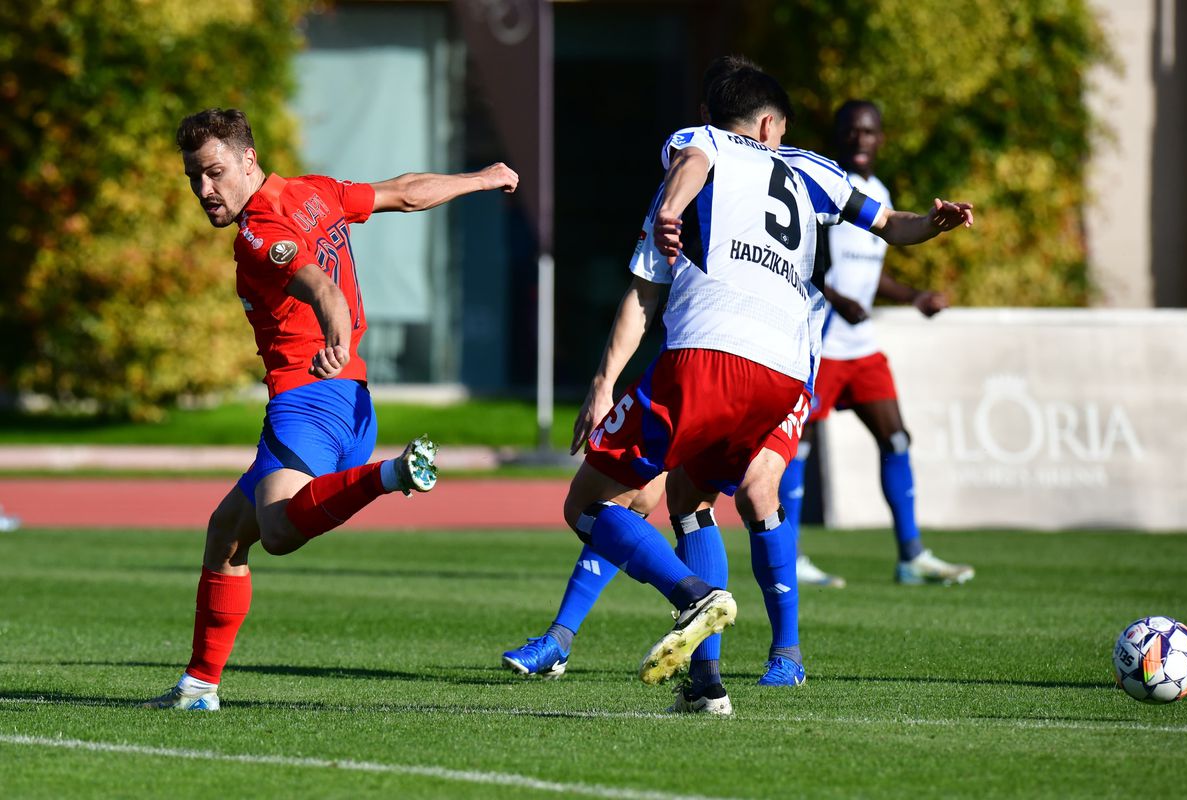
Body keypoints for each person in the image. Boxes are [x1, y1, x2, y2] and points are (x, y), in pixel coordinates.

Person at [503, 61, 974, 709]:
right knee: (691, 500)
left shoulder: (704, 144)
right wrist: (937, 221)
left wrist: (606, 377)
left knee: (588, 505)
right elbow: (893, 223)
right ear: (772, 123)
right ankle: (706, 685)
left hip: (707, 357)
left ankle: (695, 598)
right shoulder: (812, 168)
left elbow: (686, 177)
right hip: (785, 374)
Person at [141, 108, 518, 711]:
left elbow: (321, 287)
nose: (204, 190)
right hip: (350, 399)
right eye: (193, 178)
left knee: (279, 529)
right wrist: (481, 178)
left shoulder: (258, 231)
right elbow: (403, 194)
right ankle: (198, 687)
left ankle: (393, 474)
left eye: (214, 173)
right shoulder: (315, 193)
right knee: (226, 535)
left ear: (248, 161)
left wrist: (335, 337)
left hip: (310, 401)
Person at [778, 100, 975, 587]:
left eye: (869, 132)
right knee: (796, 448)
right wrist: (838, 299)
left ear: (880, 139)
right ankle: (792, 558)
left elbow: (874, 272)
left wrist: (915, 297)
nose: (860, 139)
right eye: (851, 130)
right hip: (819, 343)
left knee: (896, 438)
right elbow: (798, 260)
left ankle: (911, 555)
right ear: (838, 135)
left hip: (861, 348)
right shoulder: (821, 187)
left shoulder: (879, 194)